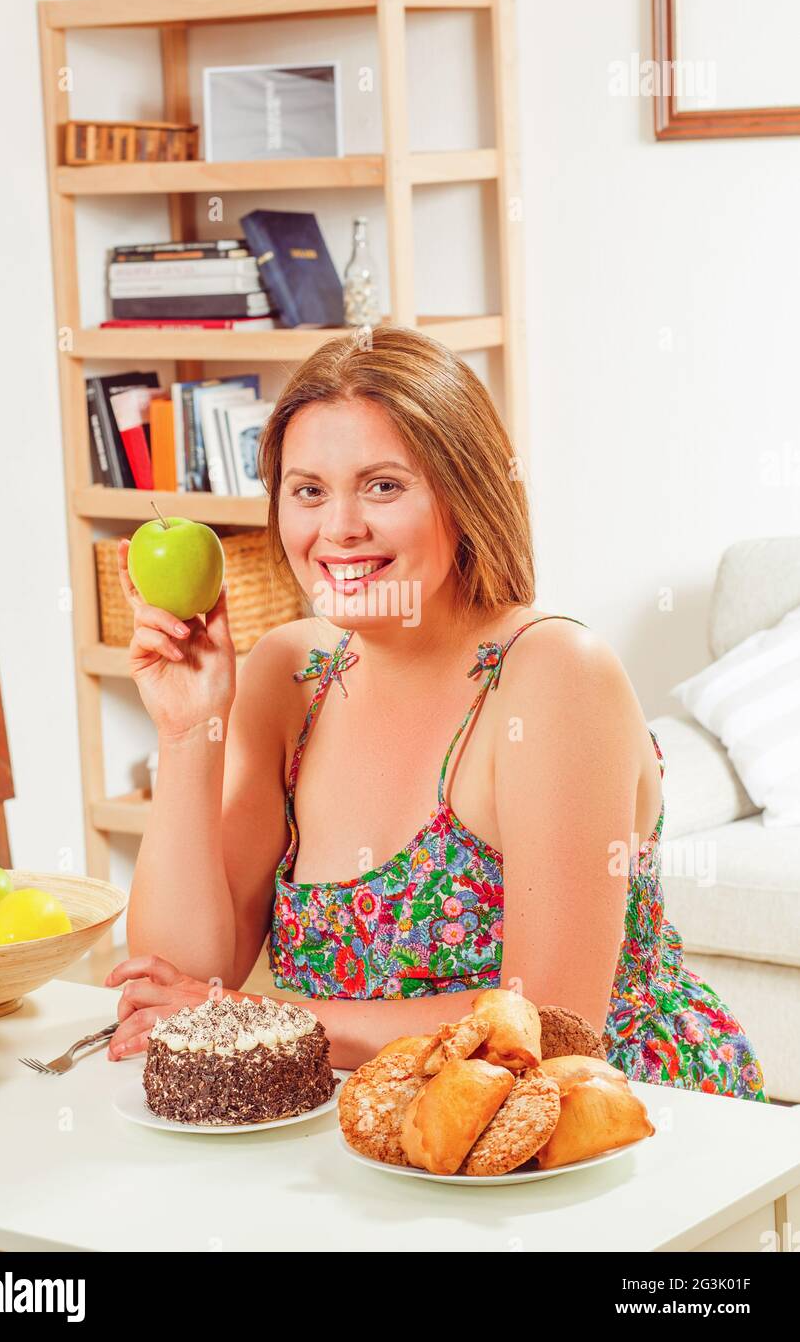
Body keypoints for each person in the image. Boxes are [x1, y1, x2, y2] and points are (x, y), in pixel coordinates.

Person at [105, 326, 766, 1100]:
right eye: (308, 490)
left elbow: (551, 1024)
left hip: (609, 1121)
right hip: (380, 1123)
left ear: (465, 494)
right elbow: (180, 978)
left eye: (383, 486)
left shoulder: (552, 676)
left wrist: (261, 1014)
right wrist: (189, 732)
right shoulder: (291, 674)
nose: (339, 527)